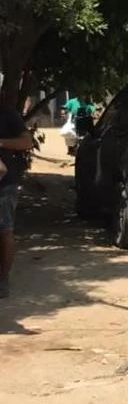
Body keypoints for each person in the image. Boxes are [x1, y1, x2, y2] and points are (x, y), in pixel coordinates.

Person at [0, 103, 34, 298]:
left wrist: (1, 143)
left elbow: (26, 141)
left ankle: (3, 279)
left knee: (4, 230)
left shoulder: (6, 113)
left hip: (4, 183)